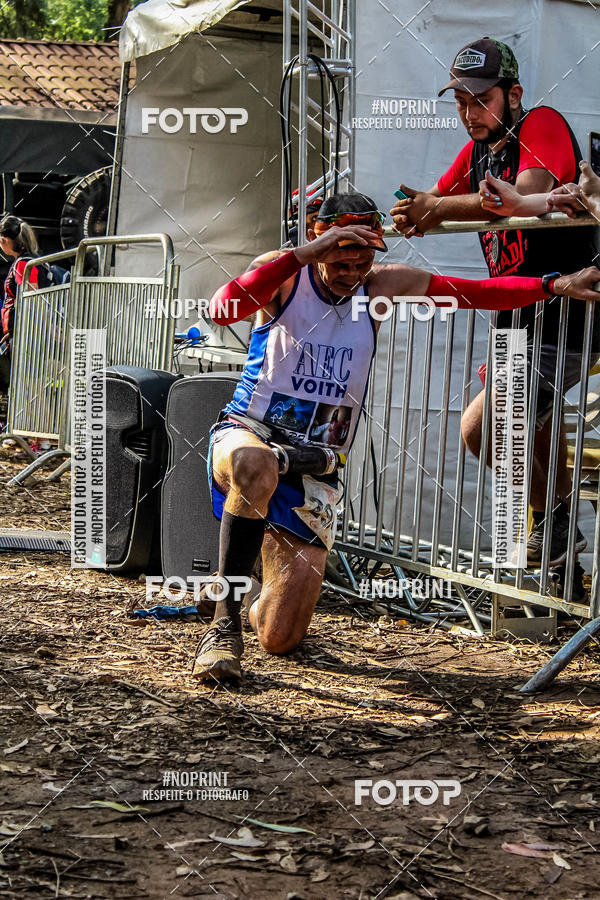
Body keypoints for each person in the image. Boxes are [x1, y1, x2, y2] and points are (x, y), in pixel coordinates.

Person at [192, 191, 600, 682]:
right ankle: (222, 628)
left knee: (281, 638)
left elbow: (475, 292)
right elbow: (222, 309)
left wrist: (554, 284)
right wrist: (301, 256)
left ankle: (246, 582)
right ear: (318, 247)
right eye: (339, 261)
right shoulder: (284, 273)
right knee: (256, 466)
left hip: (313, 462)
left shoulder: (382, 286)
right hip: (248, 433)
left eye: (361, 262)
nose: (351, 273)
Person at [389, 36, 600, 569]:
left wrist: (437, 208)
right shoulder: (478, 151)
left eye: (481, 100)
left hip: (570, 313)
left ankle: (554, 524)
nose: (469, 113)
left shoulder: (540, 124)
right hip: (519, 319)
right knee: (536, 428)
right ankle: (558, 552)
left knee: (483, 429)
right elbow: (427, 204)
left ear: (514, 94)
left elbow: (520, 196)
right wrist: (409, 210)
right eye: (461, 102)